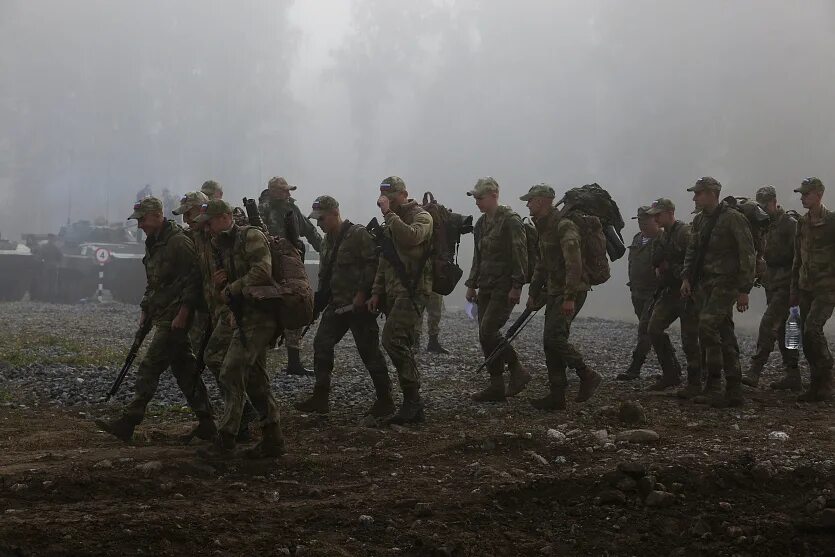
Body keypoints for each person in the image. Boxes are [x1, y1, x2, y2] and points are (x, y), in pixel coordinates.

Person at [95, 197, 215, 443]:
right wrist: (145, 309)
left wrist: (184, 313)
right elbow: (154, 281)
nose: (140, 225)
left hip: (175, 316)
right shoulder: (155, 242)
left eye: (142, 219)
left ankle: (130, 420)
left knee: (149, 366)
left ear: (157, 215)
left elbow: (195, 279)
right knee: (185, 370)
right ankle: (207, 422)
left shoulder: (178, 242)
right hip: (162, 313)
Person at [195, 199, 286, 458]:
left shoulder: (251, 236)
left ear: (224, 217)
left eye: (210, 223)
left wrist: (231, 288)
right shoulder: (219, 245)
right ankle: (273, 437)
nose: (207, 229)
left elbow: (262, 271)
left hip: (261, 315)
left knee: (231, 371)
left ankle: (226, 439)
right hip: (242, 314)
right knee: (249, 375)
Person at [294, 196, 394, 416]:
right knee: (321, 344)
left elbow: (373, 264)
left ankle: (385, 399)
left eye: (322, 219)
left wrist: (362, 293)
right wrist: (319, 301)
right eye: (316, 220)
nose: (319, 224)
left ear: (335, 213)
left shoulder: (357, 234)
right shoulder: (327, 241)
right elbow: (325, 273)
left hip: (358, 307)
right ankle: (320, 397)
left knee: (369, 351)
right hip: (336, 304)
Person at [174, 191, 256, 442]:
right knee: (218, 361)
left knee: (224, 363)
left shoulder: (224, 236)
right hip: (214, 308)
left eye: (189, 214)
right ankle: (242, 414)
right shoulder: (198, 237)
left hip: (233, 308)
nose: (186, 220)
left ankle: (242, 415)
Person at [523, 184, 602, 411]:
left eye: (530, 200)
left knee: (555, 338)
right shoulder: (544, 227)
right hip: (555, 291)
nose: (528, 204)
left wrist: (569, 297)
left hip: (571, 291)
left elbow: (574, 264)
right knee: (550, 343)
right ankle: (557, 395)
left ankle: (587, 375)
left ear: (542, 201)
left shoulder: (564, 226)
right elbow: (541, 264)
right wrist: (533, 293)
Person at [680, 177, 755, 407]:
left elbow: (747, 254)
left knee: (706, 325)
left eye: (699, 193)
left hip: (726, 284)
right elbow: (692, 250)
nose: (695, 197)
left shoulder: (733, 219)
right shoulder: (700, 220)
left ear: (712, 193)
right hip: (706, 284)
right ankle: (733, 388)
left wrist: (744, 289)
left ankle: (714, 384)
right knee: (724, 331)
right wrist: (686, 278)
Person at [367, 176, 433, 424]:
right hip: (395, 290)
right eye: (384, 197)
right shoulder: (390, 221)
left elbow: (413, 237)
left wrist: (389, 215)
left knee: (392, 339)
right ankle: (413, 404)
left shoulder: (422, 216)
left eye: (391, 197)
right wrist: (376, 291)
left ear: (403, 194)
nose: (387, 201)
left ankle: (413, 401)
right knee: (402, 342)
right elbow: (385, 259)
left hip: (414, 289)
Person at [464, 177, 530, 402]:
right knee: (484, 335)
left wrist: (517, 286)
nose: (477, 202)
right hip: (486, 285)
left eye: (480, 198)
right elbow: (477, 256)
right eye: (475, 198)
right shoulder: (481, 224)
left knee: (488, 330)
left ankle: (516, 368)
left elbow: (520, 254)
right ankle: (496, 385)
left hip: (504, 286)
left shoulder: (510, 220)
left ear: (494, 195)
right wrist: (471, 285)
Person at [262, 176, 323, 376]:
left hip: (290, 266)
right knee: (264, 310)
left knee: (295, 306)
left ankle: (294, 361)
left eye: (289, 191)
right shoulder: (261, 211)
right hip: (267, 267)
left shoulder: (292, 209)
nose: (288, 194)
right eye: (283, 191)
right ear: (272, 191)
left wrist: (326, 251)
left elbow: (310, 231)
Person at [741, 186, 800, 390]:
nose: (763, 208)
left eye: (766, 204)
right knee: (785, 329)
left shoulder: (789, 225)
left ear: (775, 202)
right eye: (760, 204)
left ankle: (755, 370)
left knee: (769, 324)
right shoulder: (764, 225)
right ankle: (793, 375)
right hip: (771, 283)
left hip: (787, 284)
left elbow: (799, 257)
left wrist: (796, 287)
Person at [643, 198, 701, 396]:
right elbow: (655, 260)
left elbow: (694, 261)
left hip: (686, 291)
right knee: (654, 329)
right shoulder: (662, 237)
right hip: (669, 292)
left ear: (670, 213)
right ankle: (671, 372)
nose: (655, 219)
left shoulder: (684, 233)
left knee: (690, 339)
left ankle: (695, 382)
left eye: (658, 215)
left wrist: (673, 268)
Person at [789, 177, 835, 402]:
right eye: (801, 194)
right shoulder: (802, 223)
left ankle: (826, 378)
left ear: (819, 194)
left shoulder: (832, 221)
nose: (802, 198)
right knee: (805, 337)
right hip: (805, 287)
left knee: (812, 329)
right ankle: (816, 385)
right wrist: (794, 289)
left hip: (827, 288)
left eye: (806, 194)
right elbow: (798, 258)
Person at [616, 206, 663, 382]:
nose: (642, 223)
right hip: (637, 291)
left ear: (655, 219)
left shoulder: (662, 238)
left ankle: (635, 367)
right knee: (653, 331)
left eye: (646, 219)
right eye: (640, 220)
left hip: (654, 292)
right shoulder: (637, 238)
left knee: (645, 328)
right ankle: (672, 368)